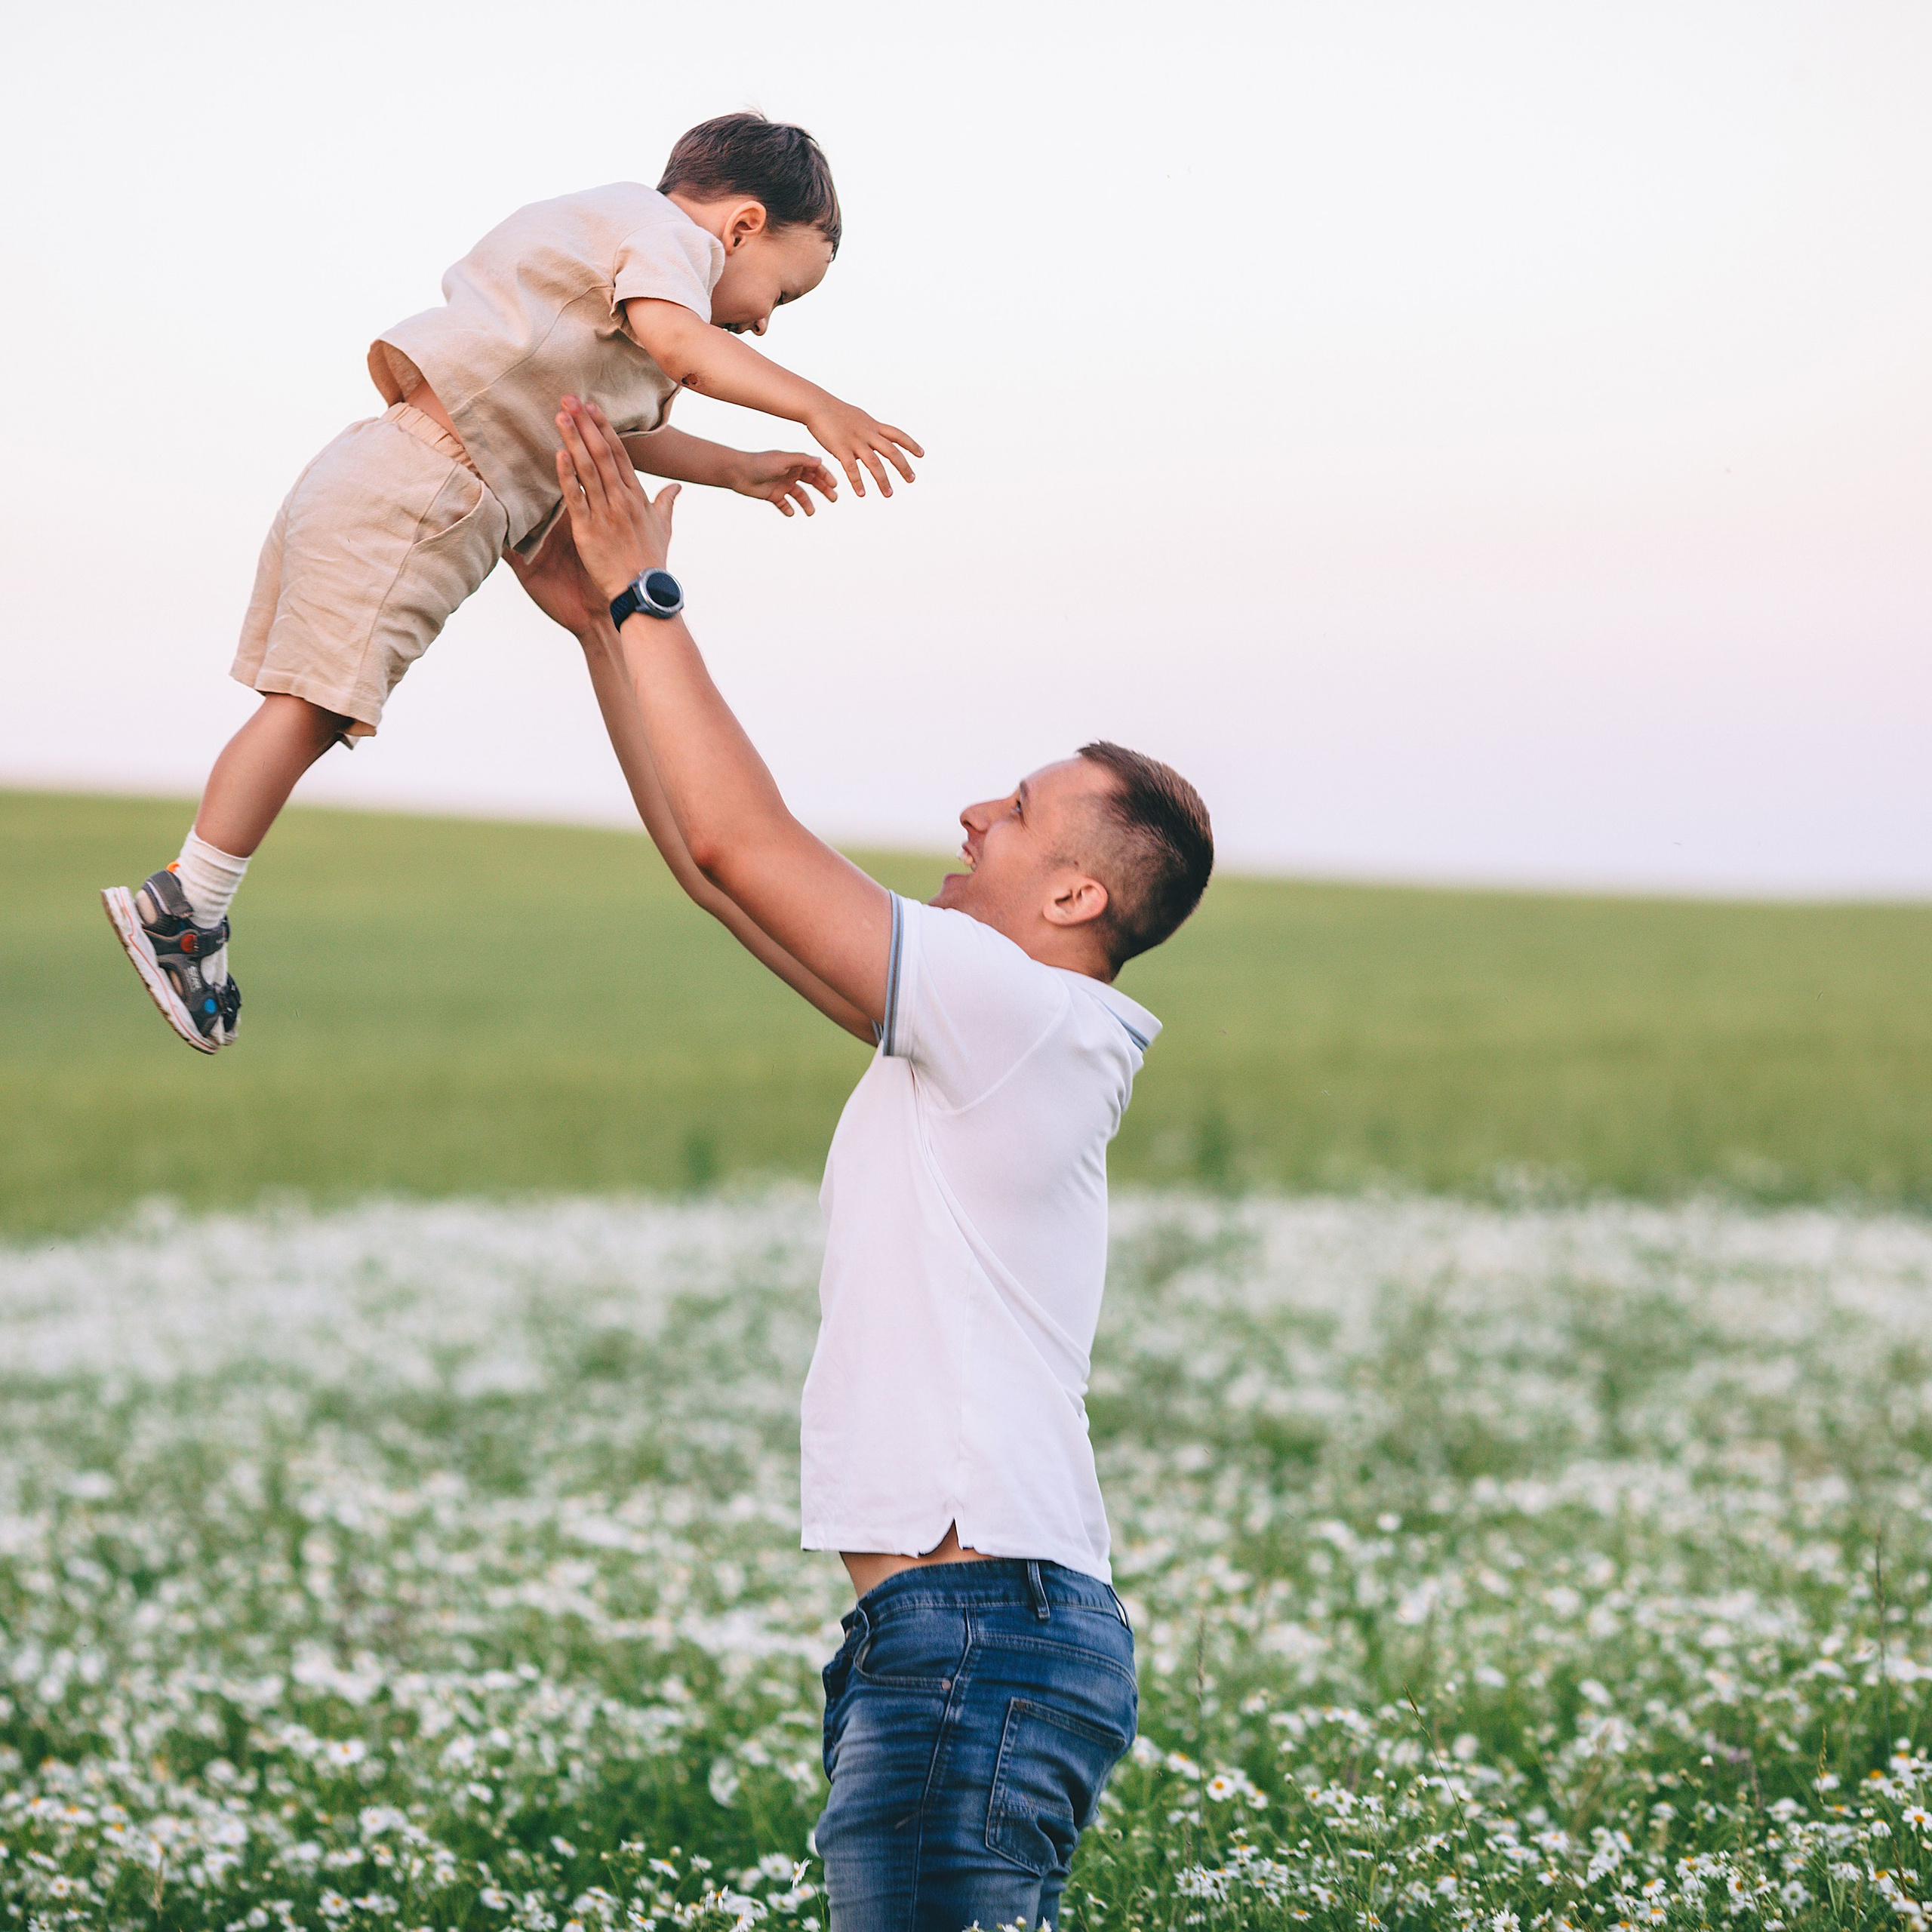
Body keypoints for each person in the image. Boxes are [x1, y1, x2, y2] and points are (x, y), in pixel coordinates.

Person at [512, 394, 1214, 1930]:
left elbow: (746, 845)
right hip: (965, 1632)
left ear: (1078, 891)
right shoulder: (994, 1024)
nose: (970, 807)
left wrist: (649, 597)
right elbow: (718, 876)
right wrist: (596, 636)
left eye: (1015, 808)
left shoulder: (1019, 1011)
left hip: (978, 1633)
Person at [102, 112, 920, 1054]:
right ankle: (189, 902)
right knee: (314, 707)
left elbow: (613, 426)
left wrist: (735, 465)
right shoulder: (664, 248)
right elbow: (686, 343)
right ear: (739, 227)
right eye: (784, 289)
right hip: (432, 487)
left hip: (388, 465)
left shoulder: (608, 255)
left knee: (305, 703)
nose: (766, 320)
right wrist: (818, 403)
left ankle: (192, 897)